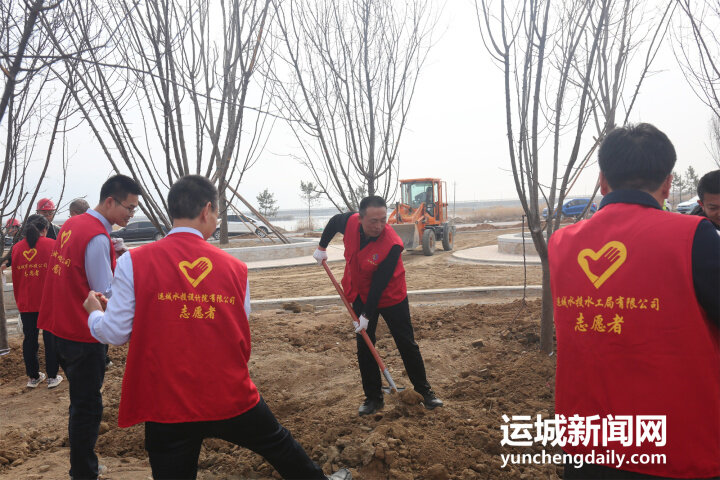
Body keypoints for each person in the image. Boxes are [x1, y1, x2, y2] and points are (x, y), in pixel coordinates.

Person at [82, 175, 350, 480]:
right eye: (218, 213)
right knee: (278, 443)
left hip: (166, 401)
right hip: (226, 392)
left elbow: (115, 332)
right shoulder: (235, 268)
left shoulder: (133, 262)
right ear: (206, 210)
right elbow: (238, 323)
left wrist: (94, 314)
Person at [548, 123, 720, 479]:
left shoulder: (562, 244)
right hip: (678, 447)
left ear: (602, 181)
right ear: (668, 184)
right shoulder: (694, 238)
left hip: (590, 444)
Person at [39, 175, 141, 479]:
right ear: (110, 201)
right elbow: (104, 292)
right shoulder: (96, 236)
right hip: (82, 334)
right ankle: (84, 471)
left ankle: (82, 465)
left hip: (59, 327)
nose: (131, 214)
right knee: (87, 407)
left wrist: (114, 256)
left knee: (80, 403)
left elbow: (76, 271)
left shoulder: (73, 224)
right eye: (129, 208)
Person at [313, 196, 443, 416]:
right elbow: (334, 221)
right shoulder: (349, 222)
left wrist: (366, 315)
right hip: (359, 291)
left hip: (391, 295)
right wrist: (322, 246)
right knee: (365, 344)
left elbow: (379, 284)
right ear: (360, 218)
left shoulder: (392, 244)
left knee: (406, 342)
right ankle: (373, 398)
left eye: (383, 220)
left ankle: (425, 392)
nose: (379, 226)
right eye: (373, 221)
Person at [11, 214, 62, 389]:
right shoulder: (53, 245)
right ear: (45, 229)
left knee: (30, 339)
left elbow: (16, 276)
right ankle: (52, 377)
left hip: (26, 301)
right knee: (50, 339)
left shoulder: (17, 248)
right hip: (48, 301)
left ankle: (33, 377)